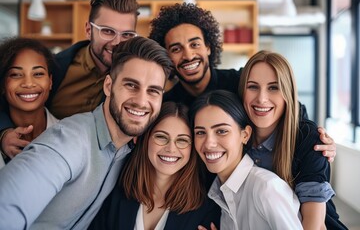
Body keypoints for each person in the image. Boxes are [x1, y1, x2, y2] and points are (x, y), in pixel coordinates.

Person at [0, 36, 173, 230]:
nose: (141, 101)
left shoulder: (130, 149)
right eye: (131, 85)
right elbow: (6, 208)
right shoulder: (70, 141)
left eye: (153, 91)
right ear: (108, 86)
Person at [149, 2, 336, 162]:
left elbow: (293, 108)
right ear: (167, 57)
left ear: (208, 47)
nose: (188, 55)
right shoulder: (167, 104)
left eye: (195, 44)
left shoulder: (241, 82)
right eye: (176, 48)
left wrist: (316, 139)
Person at [0, 0, 139, 159]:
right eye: (107, 31)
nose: (117, 42)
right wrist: (4, 132)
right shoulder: (55, 67)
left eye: (126, 35)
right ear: (88, 30)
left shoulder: (135, 78)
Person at [237, 50, 347, 229]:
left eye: (274, 87)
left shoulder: (307, 138)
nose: (261, 99)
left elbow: (314, 225)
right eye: (253, 86)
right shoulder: (234, 138)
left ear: (287, 93)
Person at [89, 101, 220, 230]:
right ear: (145, 139)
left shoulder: (207, 210)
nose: (171, 149)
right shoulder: (115, 192)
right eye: (161, 137)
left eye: (182, 140)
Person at [190, 90, 302, 230]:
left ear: (245, 135)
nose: (208, 143)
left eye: (221, 131)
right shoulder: (218, 193)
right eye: (200, 133)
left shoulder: (266, 188)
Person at [0, 37, 59, 166]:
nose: (28, 83)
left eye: (38, 74)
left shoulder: (70, 136)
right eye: (15, 74)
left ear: (50, 82)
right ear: (3, 85)